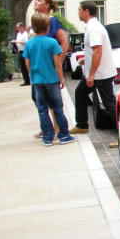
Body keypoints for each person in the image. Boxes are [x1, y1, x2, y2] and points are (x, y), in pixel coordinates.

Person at [22, 13, 76, 147]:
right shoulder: (52, 42)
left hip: (37, 81)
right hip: (52, 79)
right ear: (47, 27)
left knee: (42, 109)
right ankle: (64, 135)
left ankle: (47, 137)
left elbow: (27, 63)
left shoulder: (29, 43)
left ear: (33, 27)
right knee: (58, 108)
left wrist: (32, 76)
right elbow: (57, 63)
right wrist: (61, 78)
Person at [70, 0, 117, 134]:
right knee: (83, 94)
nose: (78, 13)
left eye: (79, 10)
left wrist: (91, 75)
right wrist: (87, 59)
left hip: (99, 74)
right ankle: (82, 125)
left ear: (86, 11)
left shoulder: (93, 28)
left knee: (109, 104)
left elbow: (98, 50)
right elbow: (95, 51)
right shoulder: (94, 26)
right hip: (101, 72)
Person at [32, 0, 69, 138]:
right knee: (39, 99)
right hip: (39, 69)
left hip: (48, 68)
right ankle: (48, 127)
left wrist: (58, 61)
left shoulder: (52, 21)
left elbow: (64, 41)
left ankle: (55, 127)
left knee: (51, 99)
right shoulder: (38, 20)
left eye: (39, 0)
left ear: (47, 5)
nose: (35, 2)